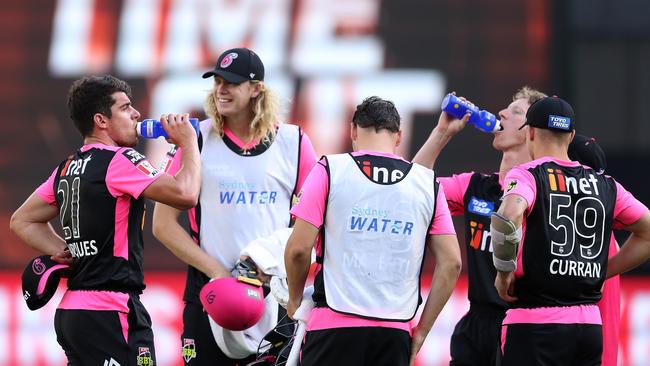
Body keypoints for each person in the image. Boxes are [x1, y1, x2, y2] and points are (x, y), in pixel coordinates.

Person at [413, 87, 621, 366]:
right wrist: (442, 134)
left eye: (516, 112)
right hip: (476, 326)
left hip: (524, 324)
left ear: (532, 131)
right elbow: (412, 192)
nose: (501, 113)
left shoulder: (553, 196)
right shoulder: (475, 187)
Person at [9, 75, 201, 365]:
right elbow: (186, 194)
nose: (136, 114)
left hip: (73, 311)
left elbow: (22, 220)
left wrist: (67, 251)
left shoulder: (67, 167)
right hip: (111, 310)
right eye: (125, 108)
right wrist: (188, 143)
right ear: (101, 120)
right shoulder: (120, 159)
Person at [151, 47, 317, 366]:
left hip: (275, 299)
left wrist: (273, 266)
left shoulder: (294, 143)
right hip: (209, 296)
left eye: (232, 82)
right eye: (217, 81)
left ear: (256, 89)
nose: (221, 89)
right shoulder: (196, 140)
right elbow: (163, 223)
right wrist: (216, 271)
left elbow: (315, 220)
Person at [285, 96, 462, 366]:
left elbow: (298, 250)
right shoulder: (427, 184)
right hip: (394, 334)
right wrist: (422, 330)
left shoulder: (330, 169)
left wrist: (295, 299)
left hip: (332, 327)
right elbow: (452, 263)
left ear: (353, 130)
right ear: (399, 136)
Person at [492, 96, 650, 365]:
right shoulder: (606, 185)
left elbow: (508, 215)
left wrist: (503, 274)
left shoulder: (528, 174)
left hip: (534, 322)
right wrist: (602, 271)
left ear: (530, 133)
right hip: (587, 327)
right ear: (571, 135)